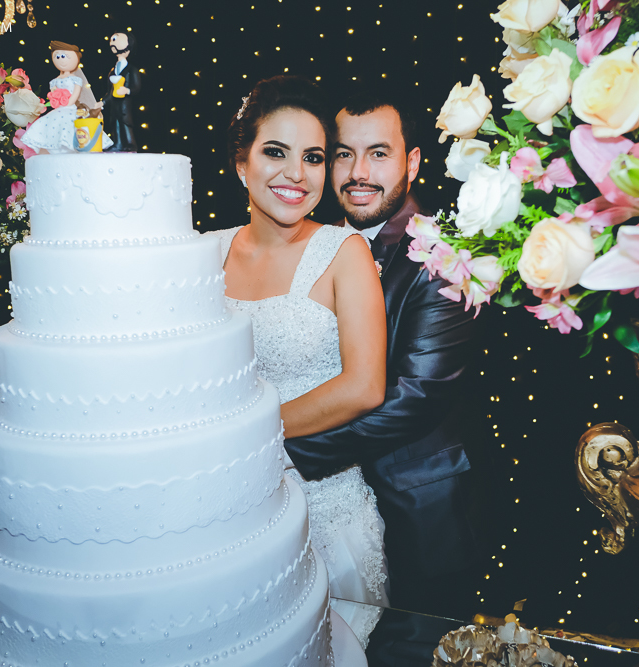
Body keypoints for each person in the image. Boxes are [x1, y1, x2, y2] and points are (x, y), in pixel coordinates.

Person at [282, 92, 481, 666]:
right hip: (318, 515)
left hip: (413, 507)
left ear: (412, 162)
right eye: (344, 154)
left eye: (378, 154)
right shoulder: (316, 245)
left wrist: (284, 455)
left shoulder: (444, 254)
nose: (358, 173)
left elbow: (416, 396)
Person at [206, 76, 389, 648]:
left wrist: (245, 435)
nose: (297, 174)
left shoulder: (344, 252)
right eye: (275, 152)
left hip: (324, 512)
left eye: (313, 157)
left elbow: (365, 386)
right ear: (241, 163)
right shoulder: (203, 253)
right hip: (222, 509)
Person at [19, 41, 110, 155]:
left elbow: (75, 94)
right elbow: (53, 93)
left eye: (64, 56)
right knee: (50, 123)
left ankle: (71, 147)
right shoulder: (55, 80)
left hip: (70, 107)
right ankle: (55, 148)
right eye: (57, 57)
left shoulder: (75, 79)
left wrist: (67, 102)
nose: (61, 60)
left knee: (71, 125)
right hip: (59, 108)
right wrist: (55, 100)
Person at [99, 31, 140, 152]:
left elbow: (136, 87)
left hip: (125, 105)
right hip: (114, 105)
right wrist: (102, 102)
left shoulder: (131, 69)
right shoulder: (113, 71)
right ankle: (118, 143)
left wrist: (127, 90)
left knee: (125, 123)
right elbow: (110, 92)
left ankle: (130, 144)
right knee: (115, 123)